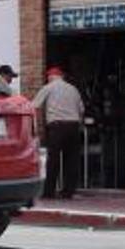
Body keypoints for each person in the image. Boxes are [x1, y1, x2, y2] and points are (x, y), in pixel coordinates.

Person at [33, 66, 84, 199]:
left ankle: (49, 192)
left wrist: (36, 127)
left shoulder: (48, 87)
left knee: (53, 160)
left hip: (57, 127)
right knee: (71, 160)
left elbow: (34, 106)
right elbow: (81, 110)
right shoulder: (73, 89)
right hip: (73, 126)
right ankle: (68, 191)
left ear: (50, 77)